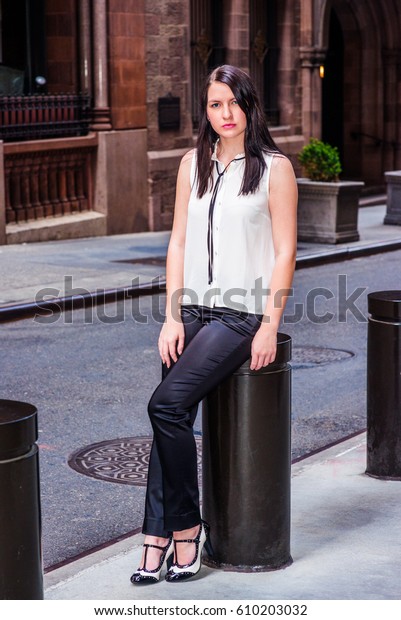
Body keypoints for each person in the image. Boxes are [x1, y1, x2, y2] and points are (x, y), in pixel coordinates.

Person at [131, 64, 297, 585]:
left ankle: (184, 528)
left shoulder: (274, 168)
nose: (225, 114)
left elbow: (286, 250)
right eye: (214, 105)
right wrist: (171, 315)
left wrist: (270, 323)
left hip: (241, 313)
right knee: (168, 421)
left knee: (166, 405)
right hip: (194, 311)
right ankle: (156, 538)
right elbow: (177, 242)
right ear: (205, 111)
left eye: (233, 103)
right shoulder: (191, 164)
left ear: (249, 106)